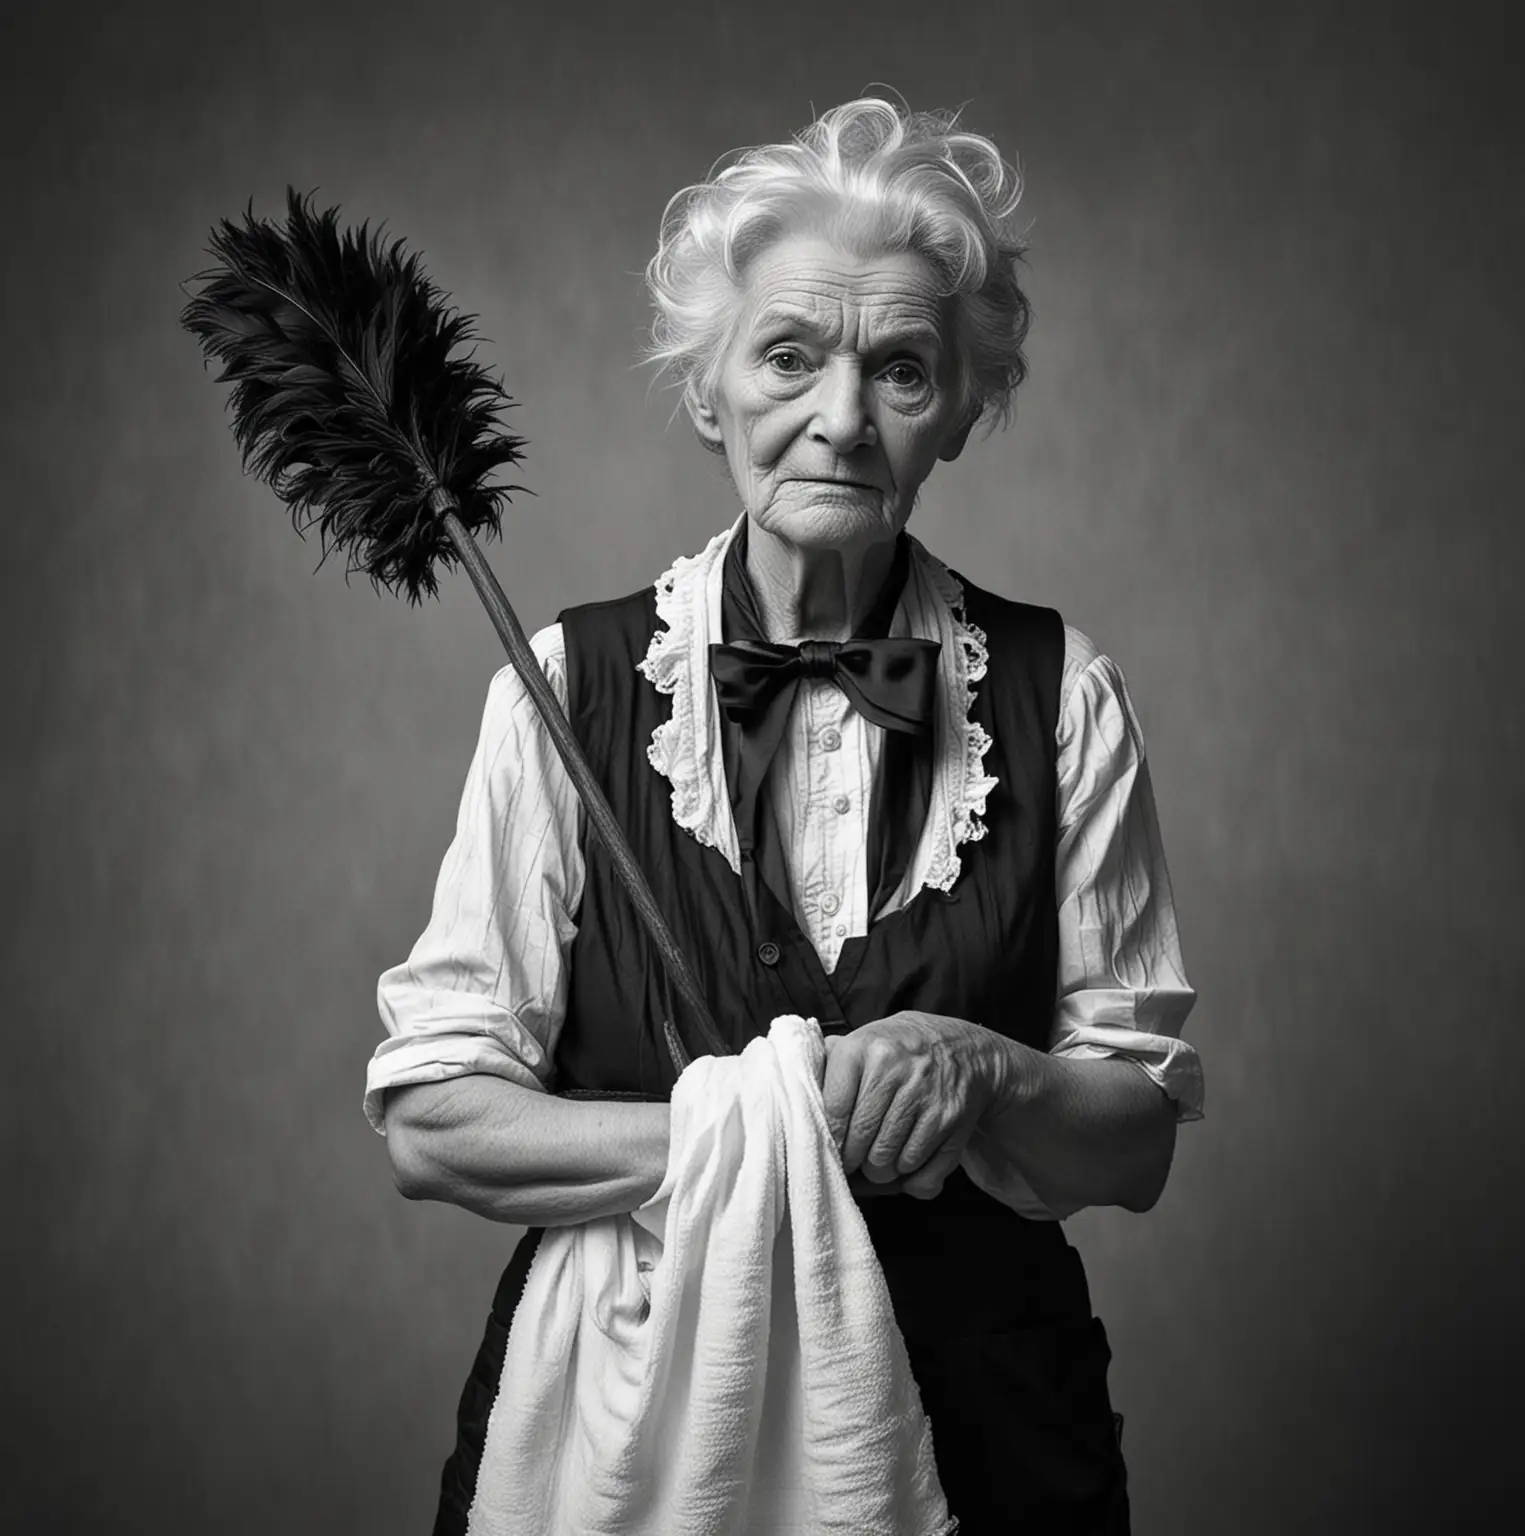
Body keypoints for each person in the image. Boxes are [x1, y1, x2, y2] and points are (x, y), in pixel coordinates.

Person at [367, 95, 1202, 1535]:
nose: (838, 417)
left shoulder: (1067, 697)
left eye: (900, 370)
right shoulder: (565, 692)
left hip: (993, 1446)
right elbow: (435, 1125)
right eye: (790, 357)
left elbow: (1134, 1147)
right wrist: (747, 1125)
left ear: (962, 409)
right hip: (626, 1441)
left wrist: (985, 1070)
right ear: (712, 395)